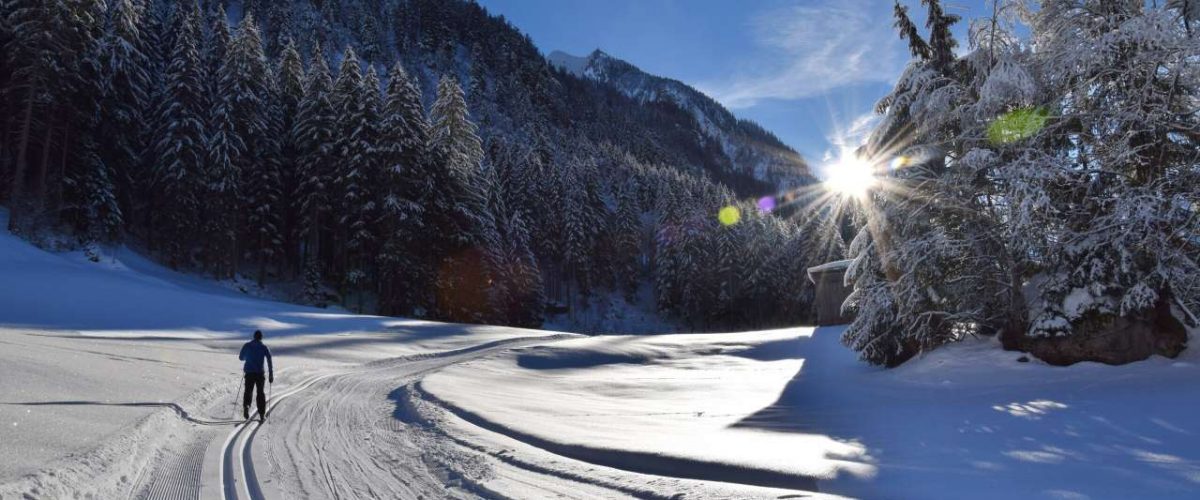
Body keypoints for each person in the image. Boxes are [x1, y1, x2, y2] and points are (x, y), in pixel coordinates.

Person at [238, 330, 274, 421]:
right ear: (261, 337)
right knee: (260, 393)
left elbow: (241, 357)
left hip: (249, 372)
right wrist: (271, 373)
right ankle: (262, 415)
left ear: (254, 337)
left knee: (248, 391)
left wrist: (249, 358)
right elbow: (269, 359)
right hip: (259, 373)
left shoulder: (247, 345)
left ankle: (246, 406)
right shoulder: (264, 347)